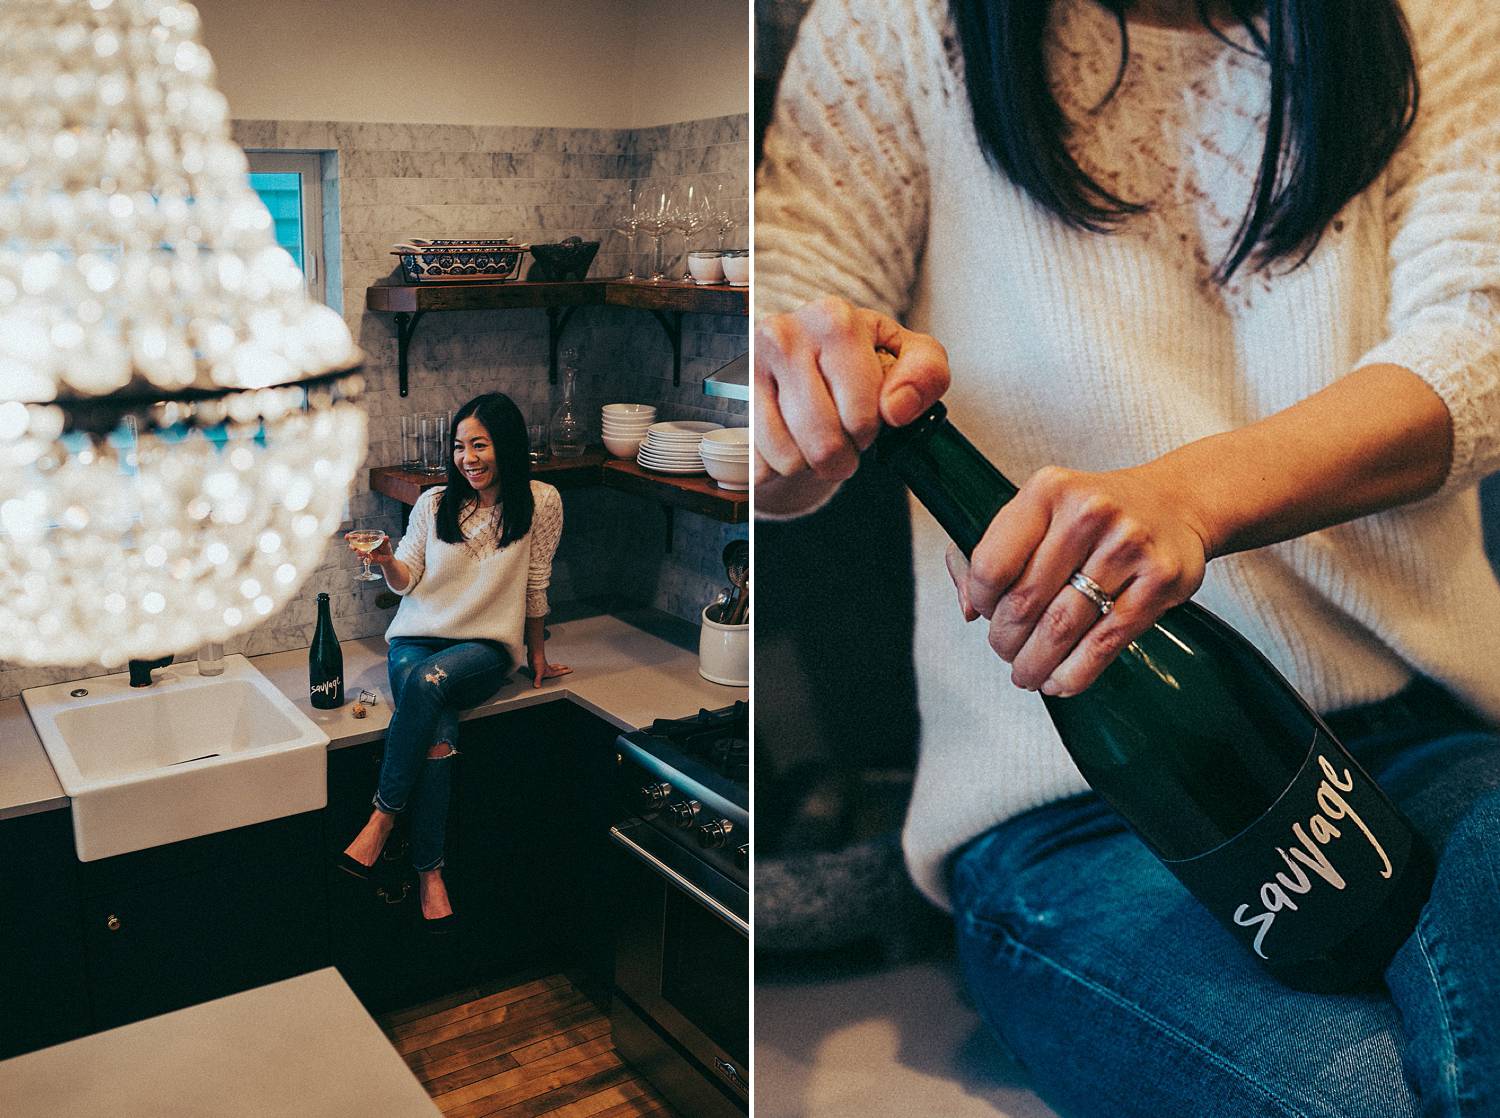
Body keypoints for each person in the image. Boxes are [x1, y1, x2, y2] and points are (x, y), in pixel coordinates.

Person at [754, 0, 1500, 1113]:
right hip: (1077, 809)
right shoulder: (898, 27)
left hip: (1422, 730)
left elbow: (1476, 337)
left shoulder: (1436, 14)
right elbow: (784, 323)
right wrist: (796, 400)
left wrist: (1187, 498)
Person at [338, 392, 571, 932]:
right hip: (415, 641)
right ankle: (429, 872)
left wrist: (536, 653)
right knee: (436, 725)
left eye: (480, 445)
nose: (468, 458)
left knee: (427, 685)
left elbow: (536, 583)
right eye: (460, 446)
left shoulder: (542, 501)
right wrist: (385, 560)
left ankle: (381, 818)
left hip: (485, 648)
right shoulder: (433, 503)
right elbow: (407, 581)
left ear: (506, 446)